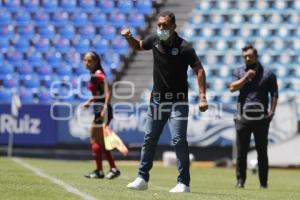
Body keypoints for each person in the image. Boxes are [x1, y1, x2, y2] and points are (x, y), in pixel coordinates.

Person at [121, 11, 208, 193]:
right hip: (157, 101)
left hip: (178, 102)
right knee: (149, 139)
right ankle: (142, 178)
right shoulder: (154, 40)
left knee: (178, 140)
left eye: (165, 26)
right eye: (159, 25)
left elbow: (199, 70)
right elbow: (138, 46)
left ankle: (184, 183)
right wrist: (129, 38)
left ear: (174, 27)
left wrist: (202, 97)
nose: (161, 28)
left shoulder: (184, 47)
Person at [229, 45, 278, 189]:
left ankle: (263, 183)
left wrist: (272, 112)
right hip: (242, 116)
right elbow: (232, 88)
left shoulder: (268, 73)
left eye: (250, 56)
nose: (247, 58)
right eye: (245, 56)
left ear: (256, 56)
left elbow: (274, 94)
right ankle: (240, 181)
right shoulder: (238, 71)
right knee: (241, 151)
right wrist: (246, 77)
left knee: (262, 151)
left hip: (261, 118)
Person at [82, 51, 121, 180]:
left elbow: (108, 90)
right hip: (99, 109)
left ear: (96, 62)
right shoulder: (94, 74)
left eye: (89, 60)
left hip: (102, 111)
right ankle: (110, 169)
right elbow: (99, 94)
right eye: (85, 60)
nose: (86, 63)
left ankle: (102, 170)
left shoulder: (99, 74)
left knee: (95, 139)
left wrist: (104, 109)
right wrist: (90, 101)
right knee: (99, 141)